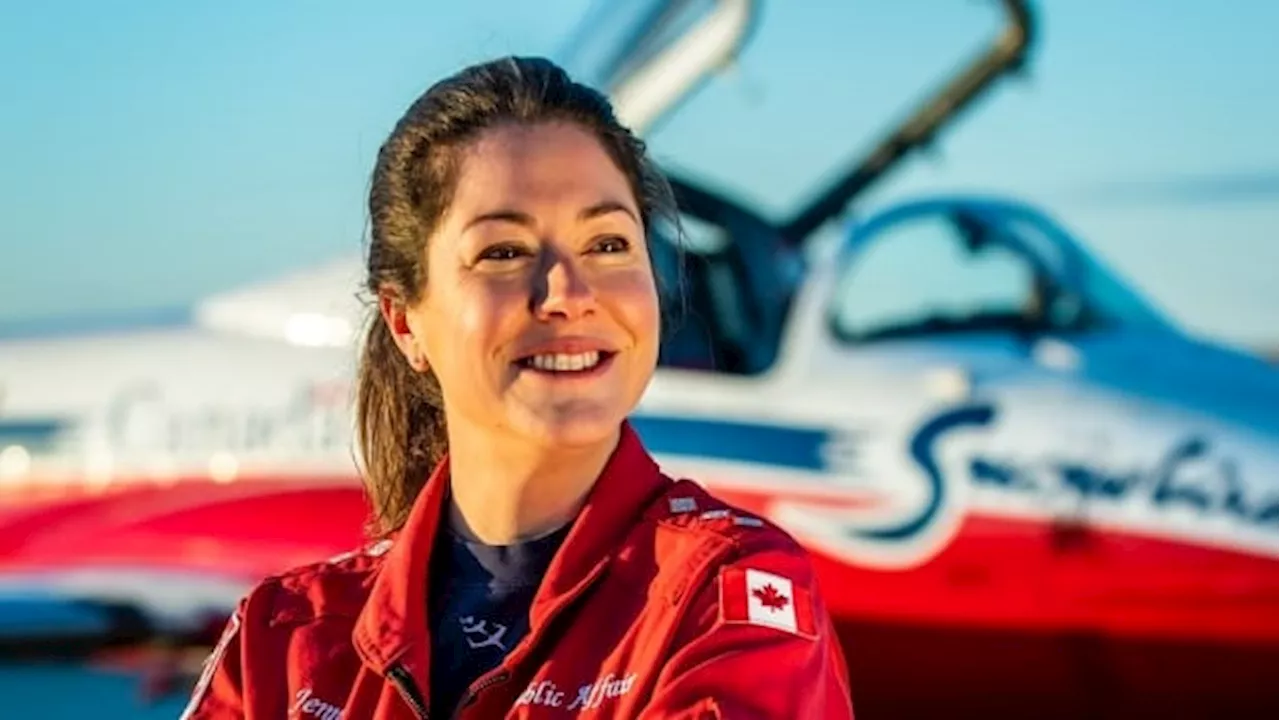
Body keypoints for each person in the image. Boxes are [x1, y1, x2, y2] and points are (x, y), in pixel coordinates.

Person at [180, 56, 854, 719]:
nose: (569, 293)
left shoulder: (726, 594)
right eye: (504, 253)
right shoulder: (286, 637)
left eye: (609, 244)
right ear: (406, 322)